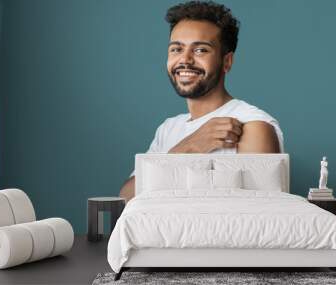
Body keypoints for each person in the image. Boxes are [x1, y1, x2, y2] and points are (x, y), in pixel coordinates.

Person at [120, 1, 284, 202]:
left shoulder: (251, 125)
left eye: (200, 50)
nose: (185, 60)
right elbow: (126, 200)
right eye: (176, 49)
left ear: (227, 61)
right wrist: (188, 148)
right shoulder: (168, 129)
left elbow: (259, 217)